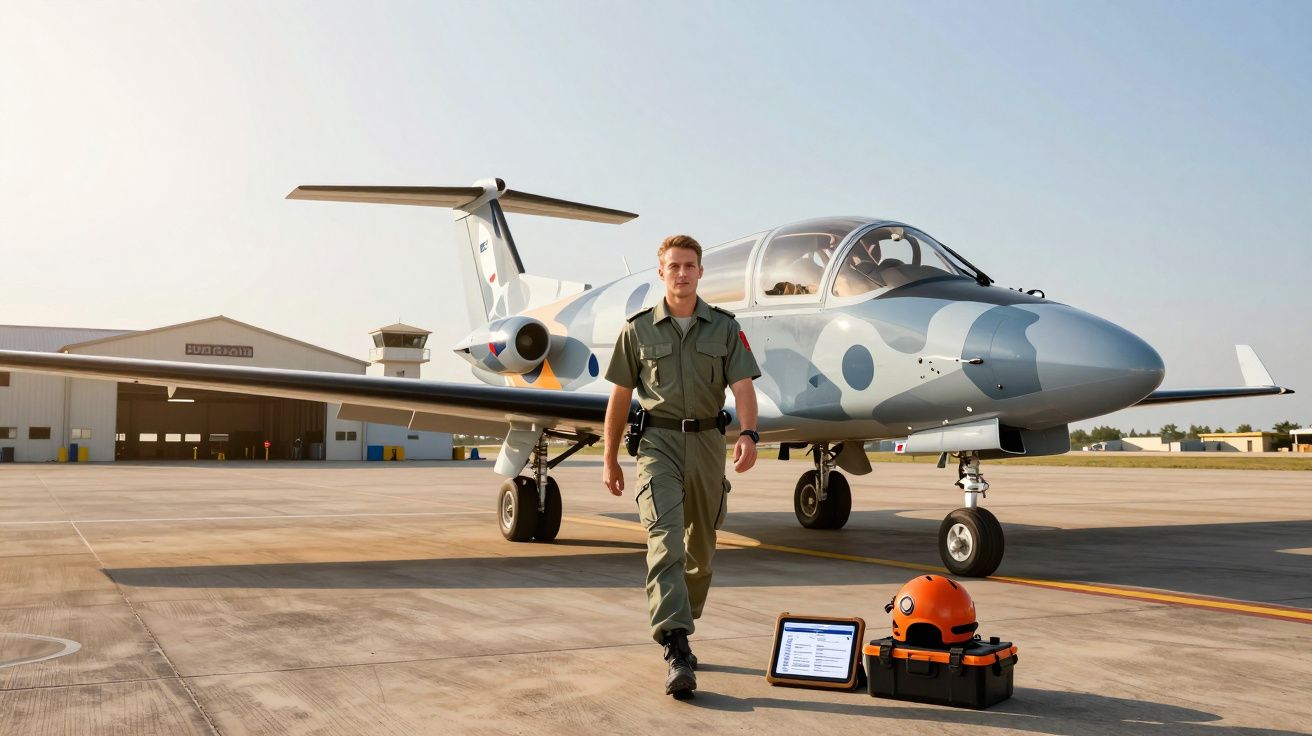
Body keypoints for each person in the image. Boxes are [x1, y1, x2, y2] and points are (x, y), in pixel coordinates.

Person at [602, 234, 761, 698]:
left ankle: (682, 624)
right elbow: (619, 397)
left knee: (703, 546)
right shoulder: (638, 330)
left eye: (690, 265)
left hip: (709, 443)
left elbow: (744, 387)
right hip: (658, 443)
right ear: (662, 273)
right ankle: (675, 642)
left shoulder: (725, 328)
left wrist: (749, 433)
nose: (683, 273)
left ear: (700, 272)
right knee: (664, 539)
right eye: (674, 266)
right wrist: (609, 457)